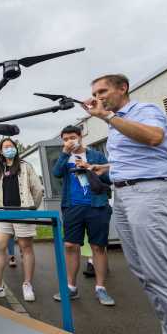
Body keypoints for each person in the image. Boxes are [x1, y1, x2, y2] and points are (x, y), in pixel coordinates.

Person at [85, 74, 167, 334]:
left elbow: (155, 137)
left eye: (103, 91)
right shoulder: (117, 121)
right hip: (124, 196)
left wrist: (107, 118)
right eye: (95, 93)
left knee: (164, 277)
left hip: (149, 195)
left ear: (123, 88)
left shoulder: (144, 111)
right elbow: (138, 157)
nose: (98, 97)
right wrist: (107, 168)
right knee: (146, 275)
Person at [51, 125, 115, 306]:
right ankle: (71, 287)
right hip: (73, 207)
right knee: (70, 245)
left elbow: (109, 178)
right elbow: (56, 173)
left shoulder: (96, 155)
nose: (69, 141)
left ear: (80, 137)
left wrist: (89, 168)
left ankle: (101, 288)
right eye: (65, 139)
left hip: (97, 205)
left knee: (98, 247)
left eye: (72, 137)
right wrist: (64, 154)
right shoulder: (63, 157)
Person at [0, 138, 43, 302]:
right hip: (4, 213)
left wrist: (31, 209)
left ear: (15, 148)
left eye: (11, 146)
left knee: (25, 247)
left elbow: (37, 190)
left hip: (22, 212)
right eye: (5, 147)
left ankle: (27, 284)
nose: (9, 149)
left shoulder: (25, 166)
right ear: (0, 151)